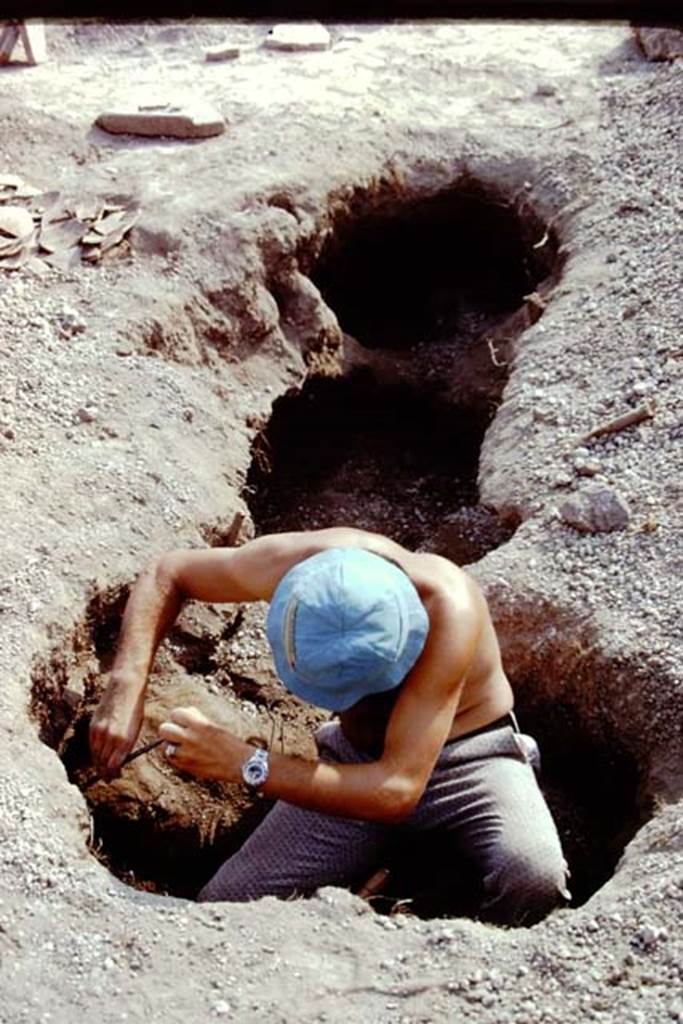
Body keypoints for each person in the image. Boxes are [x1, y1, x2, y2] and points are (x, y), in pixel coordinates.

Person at [90, 526, 570, 924]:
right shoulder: (304, 568)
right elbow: (170, 571)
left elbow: (397, 789)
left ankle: (456, 923)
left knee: (533, 877)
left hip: (469, 759)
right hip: (356, 762)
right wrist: (125, 687)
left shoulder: (449, 609)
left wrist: (248, 764)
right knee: (225, 908)